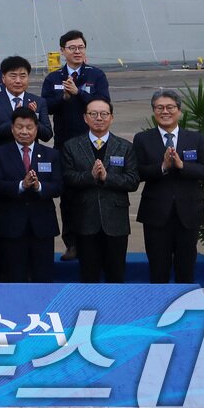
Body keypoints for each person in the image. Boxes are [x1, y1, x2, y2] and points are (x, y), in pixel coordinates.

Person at [42, 29, 111, 260]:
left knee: (94, 193)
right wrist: (63, 97)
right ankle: (72, 243)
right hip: (64, 144)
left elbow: (104, 104)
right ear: (62, 51)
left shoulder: (96, 75)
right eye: (72, 48)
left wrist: (79, 93)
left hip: (94, 143)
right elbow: (46, 107)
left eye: (81, 47)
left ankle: (95, 242)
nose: (77, 51)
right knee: (69, 196)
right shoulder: (53, 79)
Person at [134, 89, 204, 283]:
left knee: (186, 268)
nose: (165, 111)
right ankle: (159, 311)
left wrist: (181, 166)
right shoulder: (142, 139)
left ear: (179, 111)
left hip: (188, 213)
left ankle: (183, 309)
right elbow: (136, 173)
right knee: (158, 269)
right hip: (156, 215)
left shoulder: (196, 138)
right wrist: (162, 167)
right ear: (154, 111)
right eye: (159, 108)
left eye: (170, 107)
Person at [60, 98, 139, 283]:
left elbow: (133, 180)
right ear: (85, 118)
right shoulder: (71, 146)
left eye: (104, 114)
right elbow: (68, 178)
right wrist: (91, 176)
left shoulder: (125, 147)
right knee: (88, 276)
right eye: (93, 114)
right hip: (85, 220)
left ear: (111, 118)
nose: (99, 118)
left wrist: (106, 177)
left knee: (116, 275)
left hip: (116, 223)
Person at [0, 107, 63, 282]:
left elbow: (58, 186)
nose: (24, 131)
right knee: (14, 277)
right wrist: (22, 185)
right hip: (12, 226)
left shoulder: (51, 154)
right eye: (20, 127)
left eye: (29, 127)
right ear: (12, 129)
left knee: (43, 277)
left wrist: (39, 187)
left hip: (42, 227)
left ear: (36, 129)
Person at [0, 55, 54, 152]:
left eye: (23, 76)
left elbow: (47, 135)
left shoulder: (38, 101)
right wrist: (16, 118)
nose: (18, 81)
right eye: (13, 76)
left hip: (29, 157)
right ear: (3, 78)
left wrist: (31, 117)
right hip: (1, 157)